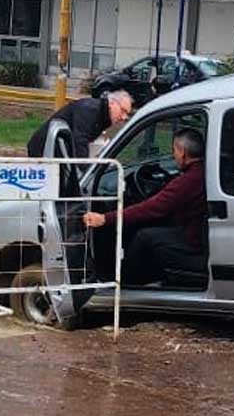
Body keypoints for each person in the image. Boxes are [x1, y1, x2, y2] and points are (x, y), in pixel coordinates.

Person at [83, 129, 206, 286]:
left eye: (174, 150)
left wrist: (105, 218)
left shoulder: (188, 181)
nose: (174, 155)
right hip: (193, 232)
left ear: (182, 153)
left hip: (191, 241)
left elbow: (152, 208)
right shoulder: (200, 172)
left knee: (144, 236)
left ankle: (125, 283)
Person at [26, 90, 134, 159]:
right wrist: (87, 171)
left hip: (57, 148)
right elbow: (80, 140)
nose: (124, 117)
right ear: (112, 103)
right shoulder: (91, 110)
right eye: (123, 110)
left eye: (127, 113)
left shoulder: (102, 113)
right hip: (44, 148)